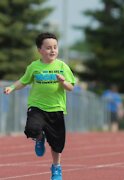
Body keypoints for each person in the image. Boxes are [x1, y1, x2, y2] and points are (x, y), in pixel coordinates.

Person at [4, 32, 75, 180]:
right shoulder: (34, 67)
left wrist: (63, 82)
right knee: (32, 128)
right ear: (40, 50)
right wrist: (11, 87)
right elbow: (23, 81)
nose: (53, 50)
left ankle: (56, 168)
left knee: (57, 144)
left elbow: (71, 87)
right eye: (48, 48)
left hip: (56, 109)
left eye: (55, 47)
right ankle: (39, 137)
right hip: (37, 107)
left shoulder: (62, 66)